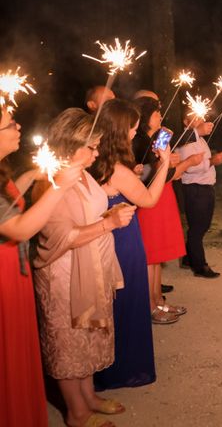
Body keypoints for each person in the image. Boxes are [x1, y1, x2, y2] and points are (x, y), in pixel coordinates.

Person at [33, 108, 135, 427]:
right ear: (71, 144)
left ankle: (89, 397)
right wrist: (109, 225)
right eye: (91, 147)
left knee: (88, 336)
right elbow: (62, 237)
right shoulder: (51, 181)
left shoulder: (81, 173)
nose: (96, 153)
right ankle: (76, 412)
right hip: (64, 274)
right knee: (68, 341)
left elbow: (89, 214)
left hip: (92, 265)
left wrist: (108, 215)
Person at [0, 106, 83, 427]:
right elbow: (19, 227)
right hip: (3, 279)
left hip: (13, 274)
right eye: (9, 123)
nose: (18, 125)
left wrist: (31, 176)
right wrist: (59, 186)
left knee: (18, 352)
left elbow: (9, 201)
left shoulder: (3, 169)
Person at [90, 98, 170, 391]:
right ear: (121, 130)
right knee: (126, 301)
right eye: (133, 128)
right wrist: (165, 165)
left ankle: (99, 367)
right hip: (122, 241)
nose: (136, 133)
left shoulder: (96, 161)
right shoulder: (118, 170)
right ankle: (123, 369)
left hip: (101, 239)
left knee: (106, 303)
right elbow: (148, 200)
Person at [132, 95, 201, 324]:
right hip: (150, 201)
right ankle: (150, 306)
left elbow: (164, 166)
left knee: (157, 257)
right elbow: (155, 174)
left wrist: (169, 156)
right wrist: (182, 163)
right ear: (145, 117)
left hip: (163, 196)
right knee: (151, 256)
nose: (160, 116)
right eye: (156, 113)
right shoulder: (140, 143)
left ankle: (158, 300)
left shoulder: (155, 138)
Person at [176, 107, 222, 277]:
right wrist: (213, 161)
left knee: (202, 226)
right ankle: (200, 266)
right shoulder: (185, 141)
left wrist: (212, 159)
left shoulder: (199, 140)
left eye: (200, 117)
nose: (200, 120)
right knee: (197, 228)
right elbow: (189, 168)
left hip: (204, 187)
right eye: (194, 118)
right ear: (185, 122)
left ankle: (189, 257)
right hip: (195, 189)